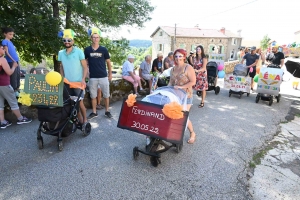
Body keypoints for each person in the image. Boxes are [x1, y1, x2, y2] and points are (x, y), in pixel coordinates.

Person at [58, 29, 88, 125]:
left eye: (69, 40)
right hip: (67, 83)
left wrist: (83, 79)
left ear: (73, 41)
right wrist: (62, 78)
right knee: (71, 103)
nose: (67, 42)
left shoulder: (79, 52)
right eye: (64, 40)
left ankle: (85, 120)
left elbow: (85, 67)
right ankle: (79, 121)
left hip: (78, 83)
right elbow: (61, 66)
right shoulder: (61, 53)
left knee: (80, 103)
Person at [168, 49, 196, 144]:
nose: (178, 58)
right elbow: (171, 82)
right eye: (176, 56)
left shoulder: (188, 68)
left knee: (183, 116)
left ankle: (192, 133)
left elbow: (193, 82)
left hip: (186, 96)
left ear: (184, 57)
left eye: (180, 56)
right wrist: (165, 90)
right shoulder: (173, 69)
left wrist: (181, 87)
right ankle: (174, 133)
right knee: (172, 114)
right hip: (175, 97)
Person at [0, 44, 32, 128]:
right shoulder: (2, 59)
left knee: (0, 105)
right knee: (13, 102)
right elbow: (9, 72)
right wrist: (14, 66)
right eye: (2, 48)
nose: (4, 50)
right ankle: (20, 119)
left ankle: (3, 122)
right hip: (4, 84)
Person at [84, 28, 113, 119]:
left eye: (97, 37)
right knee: (93, 96)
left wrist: (110, 74)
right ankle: (94, 112)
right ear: (91, 38)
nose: (95, 39)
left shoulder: (104, 49)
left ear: (99, 38)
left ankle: (107, 111)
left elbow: (108, 62)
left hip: (103, 76)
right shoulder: (87, 50)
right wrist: (85, 75)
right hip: (92, 77)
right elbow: (85, 63)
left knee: (106, 95)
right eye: (94, 37)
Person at [1, 27, 20, 96]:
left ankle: (17, 91)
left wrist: (16, 60)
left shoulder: (10, 42)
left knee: (18, 76)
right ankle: (13, 92)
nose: (11, 36)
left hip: (16, 61)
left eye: (12, 34)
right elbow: (7, 52)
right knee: (13, 78)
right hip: (11, 62)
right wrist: (13, 60)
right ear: (5, 34)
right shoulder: (4, 41)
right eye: (10, 34)